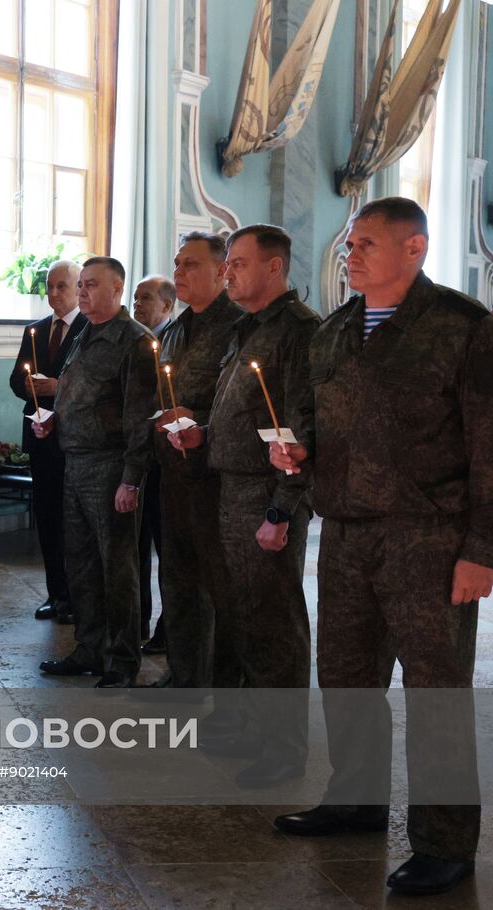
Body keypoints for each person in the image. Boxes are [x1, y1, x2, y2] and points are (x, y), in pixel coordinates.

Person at [269, 198, 493, 897]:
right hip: (345, 532)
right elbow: (312, 412)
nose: (351, 255)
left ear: (415, 248)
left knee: (435, 694)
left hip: (429, 537)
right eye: (348, 245)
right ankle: (357, 800)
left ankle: (446, 840)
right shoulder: (335, 330)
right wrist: (298, 448)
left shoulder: (463, 328)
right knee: (345, 677)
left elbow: (489, 448)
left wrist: (482, 548)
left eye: (366, 244)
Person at [170, 224, 317, 789]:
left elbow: (302, 428)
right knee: (246, 618)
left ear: (274, 268)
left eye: (238, 264)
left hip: (265, 495)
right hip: (231, 488)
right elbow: (245, 412)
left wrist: (282, 511)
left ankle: (285, 749)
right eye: (227, 263)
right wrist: (203, 434)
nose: (228, 272)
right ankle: (256, 727)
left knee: (276, 624)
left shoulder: (297, 332)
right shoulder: (250, 327)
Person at [35, 257, 156, 689]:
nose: (81, 293)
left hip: (110, 466)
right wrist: (53, 419)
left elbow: (140, 416)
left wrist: (131, 479)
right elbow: (77, 395)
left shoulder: (134, 341)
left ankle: (123, 659)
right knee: (81, 565)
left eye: (90, 285)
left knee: (117, 568)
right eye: (80, 285)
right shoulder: (84, 334)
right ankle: (88, 649)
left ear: (117, 289)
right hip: (74, 461)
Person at [149, 233, 243, 690]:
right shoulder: (174, 329)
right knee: (178, 581)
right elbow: (160, 393)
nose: (179, 273)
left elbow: (241, 405)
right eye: (177, 263)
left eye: (190, 264)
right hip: (175, 475)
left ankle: (226, 693)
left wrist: (198, 420)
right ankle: (184, 678)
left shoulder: (238, 326)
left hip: (217, 480)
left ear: (222, 270)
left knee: (221, 589)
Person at [9, 260, 85, 624]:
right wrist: (27, 386)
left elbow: (92, 383)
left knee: (74, 523)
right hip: (40, 439)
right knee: (48, 518)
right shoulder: (36, 331)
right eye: (50, 287)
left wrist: (58, 388)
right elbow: (14, 379)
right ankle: (56, 594)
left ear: (78, 287)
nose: (54, 293)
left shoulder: (89, 326)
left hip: (72, 439)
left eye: (62, 286)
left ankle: (78, 597)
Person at [131, 275, 176, 652]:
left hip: (166, 460)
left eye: (146, 298)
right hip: (139, 457)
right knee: (137, 544)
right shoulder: (137, 340)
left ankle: (169, 627)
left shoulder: (170, 340)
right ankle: (140, 620)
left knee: (168, 549)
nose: (137, 304)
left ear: (167, 305)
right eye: (135, 297)